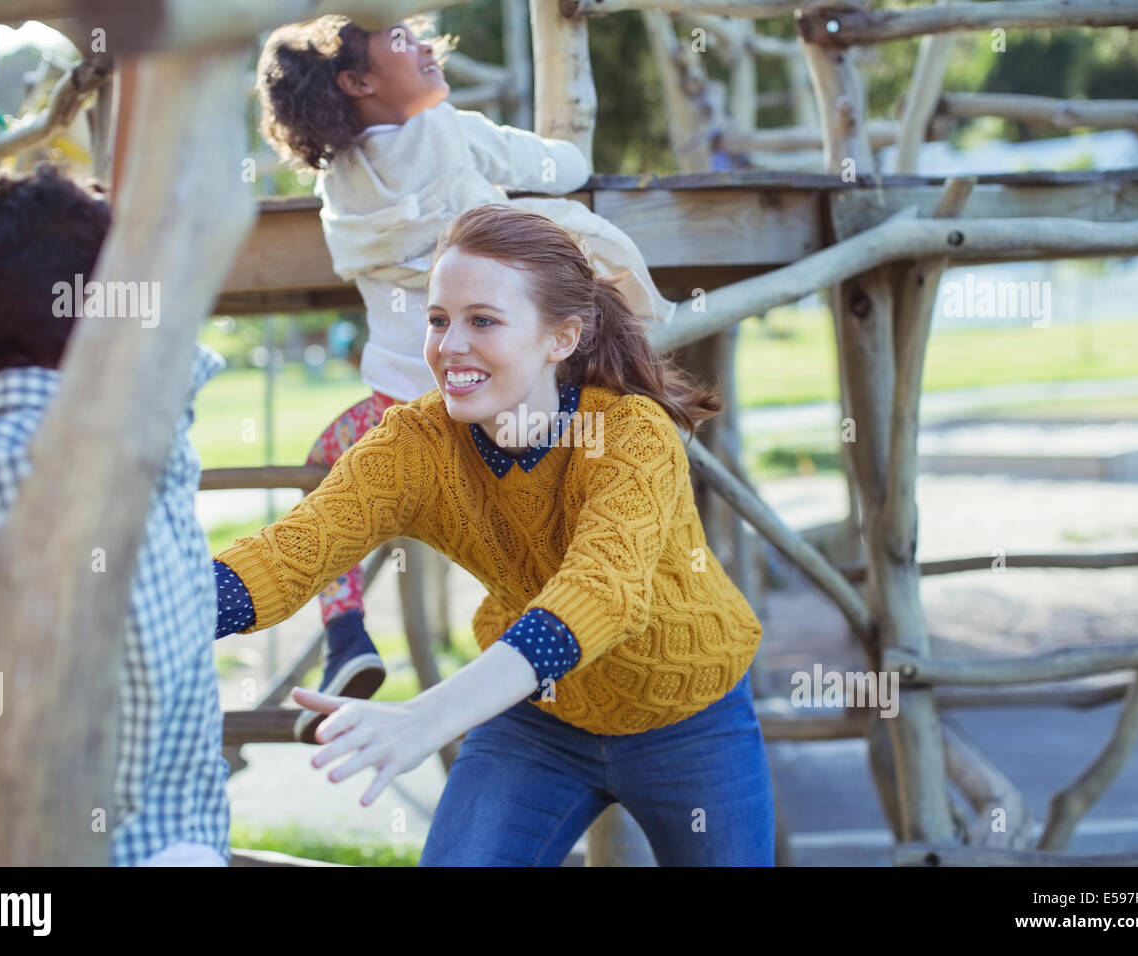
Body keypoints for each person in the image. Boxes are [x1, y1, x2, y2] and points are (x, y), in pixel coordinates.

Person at [213, 203, 773, 866]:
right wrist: (156, 614)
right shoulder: (415, 443)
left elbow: (603, 592)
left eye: (483, 321)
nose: (450, 345)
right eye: (438, 319)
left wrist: (430, 716)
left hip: (690, 714)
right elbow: (292, 552)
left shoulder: (631, 434)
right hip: (539, 718)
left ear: (561, 338)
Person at [255, 15, 676, 727]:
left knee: (327, 471)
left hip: (401, 409)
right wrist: (568, 163)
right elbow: (554, 168)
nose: (425, 45)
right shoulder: (446, 133)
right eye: (401, 42)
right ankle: (562, 637)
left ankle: (345, 634)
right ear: (357, 82)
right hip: (499, 395)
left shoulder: (340, 185)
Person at [0, 33, 230, 866]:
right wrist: (140, 39)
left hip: (17, 851)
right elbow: (147, 215)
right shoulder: (141, 404)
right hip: (167, 851)